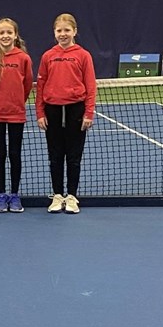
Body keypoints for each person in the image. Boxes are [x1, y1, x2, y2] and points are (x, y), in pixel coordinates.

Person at [36, 13, 96, 215]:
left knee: (73, 157)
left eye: (66, 30)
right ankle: (57, 195)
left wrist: (88, 113)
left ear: (74, 31)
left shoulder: (83, 55)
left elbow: (90, 86)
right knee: (55, 156)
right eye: (59, 30)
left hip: (76, 110)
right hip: (52, 111)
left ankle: (71, 196)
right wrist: (40, 113)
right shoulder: (47, 56)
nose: (63, 34)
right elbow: (41, 86)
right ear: (54, 32)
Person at [0, 18, 32, 213]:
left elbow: (27, 85)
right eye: (1, 33)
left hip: (16, 114)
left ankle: (14, 195)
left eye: (9, 32)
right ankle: (1, 194)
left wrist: (17, 101)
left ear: (15, 35)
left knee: (14, 154)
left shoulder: (23, 58)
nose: (5, 36)